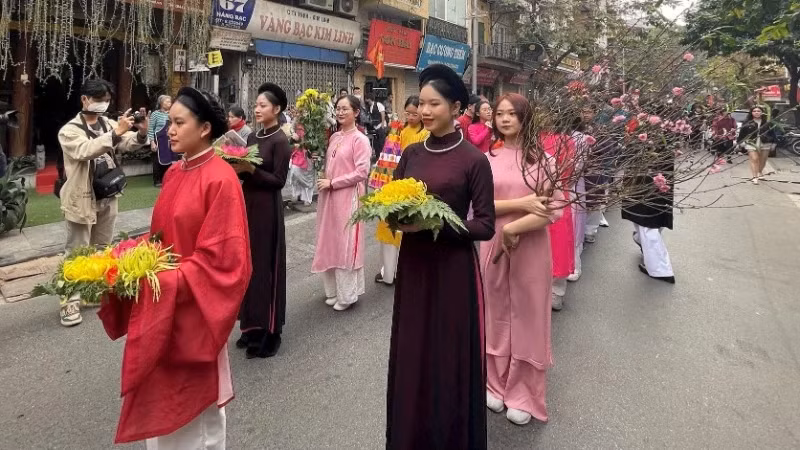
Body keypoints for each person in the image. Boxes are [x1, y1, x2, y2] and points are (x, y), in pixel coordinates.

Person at [97, 87, 252, 447]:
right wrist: (126, 259)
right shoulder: (175, 173)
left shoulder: (221, 179)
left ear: (204, 130)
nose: (169, 130)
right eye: (170, 122)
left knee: (195, 420)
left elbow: (227, 263)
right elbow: (159, 239)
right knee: (161, 410)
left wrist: (165, 280)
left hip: (193, 311)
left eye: (179, 123)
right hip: (163, 304)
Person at [386, 64, 494, 449]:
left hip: (452, 271)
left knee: (446, 357)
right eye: (422, 103)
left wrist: (437, 225)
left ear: (456, 107)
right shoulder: (412, 153)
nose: (425, 110)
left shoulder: (473, 161)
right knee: (413, 352)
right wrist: (394, 217)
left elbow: (485, 225)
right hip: (415, 267)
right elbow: (394, 201)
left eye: (434, 104)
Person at [481, 93, 561, 426]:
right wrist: (523, 204)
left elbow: (551, 209)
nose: (505, 119)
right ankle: (495, 383)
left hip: (530, 245)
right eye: (499, 113)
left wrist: (515, 227)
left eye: (512, 113)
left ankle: (524, 392)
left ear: (525, 118)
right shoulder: (486, 159)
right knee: (495, 311)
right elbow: (479, 206)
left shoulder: (544, 160)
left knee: (528, 315)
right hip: (491, 245)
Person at [57, 78, 149, 327]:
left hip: (107, 194)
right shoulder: (69, 130)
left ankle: (91, 292)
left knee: (102, 247)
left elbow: (126, 142)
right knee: (76, 252)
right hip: (81, 198)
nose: (103, 104)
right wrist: (116, 132)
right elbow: (86, 150)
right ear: (85, 100)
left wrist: (140, 133)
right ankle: (69, 301)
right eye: (99, 99)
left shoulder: (107, 123)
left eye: (106, 100)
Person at [233, 83, 291, 359]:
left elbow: (278, 181)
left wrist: (251, 169)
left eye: (263, 105)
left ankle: (270, 331)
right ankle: (250, 327)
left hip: (268, 209)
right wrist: (234, 166)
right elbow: (245, 170)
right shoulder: (253, 137)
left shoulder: (281, 141)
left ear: (276, 110)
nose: (257, 109)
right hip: (248, 206)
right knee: (248, 266)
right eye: (256, 105)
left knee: (265, 268)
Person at [311, 95, 372, 311]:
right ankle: (333, 291)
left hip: (348, 196)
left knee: (346, 243)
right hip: (330, 195)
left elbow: (362, 172)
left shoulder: (360, 139)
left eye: (345, 109)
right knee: (330, 240)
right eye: (337, 108)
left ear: (356, 112)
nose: (340, 112)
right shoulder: (334, 136)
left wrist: (333, 182)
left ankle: (347, 295)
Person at [369, 95, 430, 286]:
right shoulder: (399, 129)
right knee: (388, 229)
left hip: (410, 186)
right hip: (392, 185)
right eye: (408, 113)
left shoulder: (425, 134)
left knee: (405, 231)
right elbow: (387, 155)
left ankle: (400, 271)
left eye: (414, 113)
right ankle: (388, 271)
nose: (411, 117)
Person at [737, 106, 777, 184]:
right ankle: (754, 177)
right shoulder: (747, 122)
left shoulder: (767, 122)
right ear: (751, 113)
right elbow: (742, 133)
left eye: (758, 111)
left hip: (765, 142)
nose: (756, 112)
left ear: (762, 112)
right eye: (754, 111)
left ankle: (760, 172)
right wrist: (740, 142)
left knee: (763, 160)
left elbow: (773, 133)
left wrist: (774, 143)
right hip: (751, 142)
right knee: (754, 158)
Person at [149, 95, 173, 187]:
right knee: (157, 160)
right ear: (161, 103)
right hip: (158, 139)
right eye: (167, 101)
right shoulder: (155, 114)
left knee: (169, 159)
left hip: (169, 139)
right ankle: (157, 180)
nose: (169, 103)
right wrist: (152, 142)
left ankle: (167, 179)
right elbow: (151, 129)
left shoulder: (171, 114)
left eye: (170, 101)